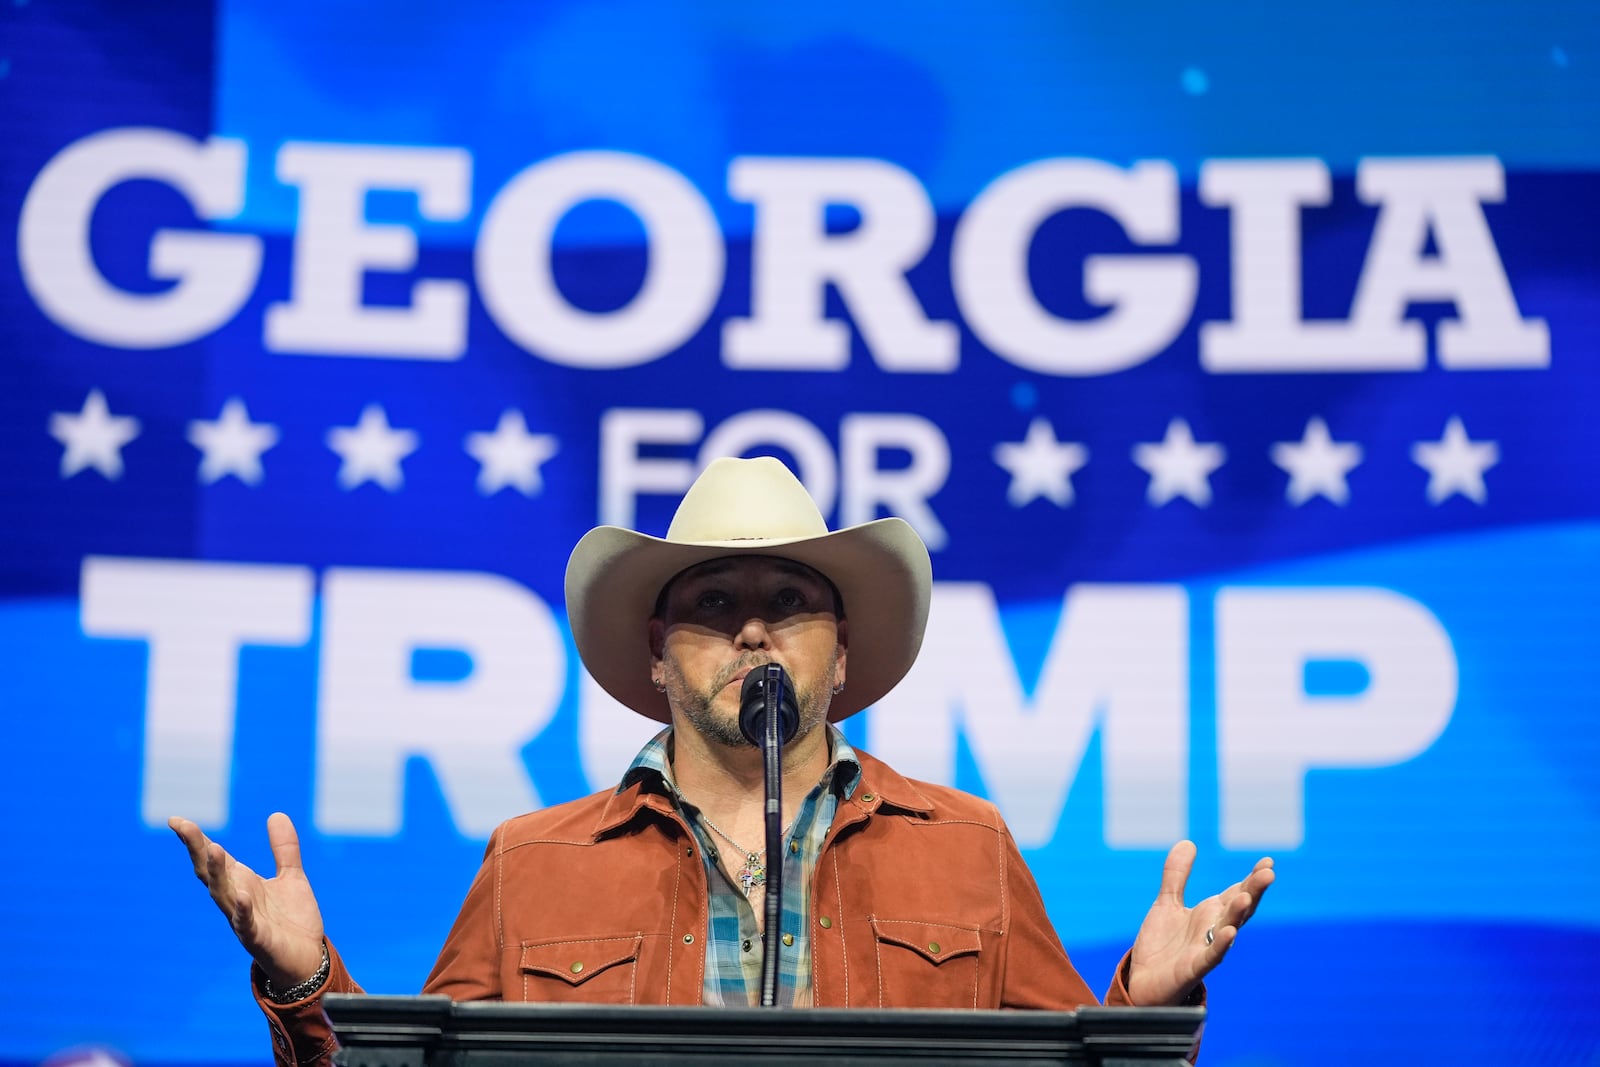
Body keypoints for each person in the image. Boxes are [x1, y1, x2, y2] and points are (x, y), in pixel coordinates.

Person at [172, 456, 1274, 1066]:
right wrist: (305, 978)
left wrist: (1145, 1007)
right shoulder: (531, 857)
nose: (753, 631)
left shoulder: (968, 844)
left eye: (790, 602)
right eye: (711, 604)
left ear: (841, 655)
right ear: (656, 654)